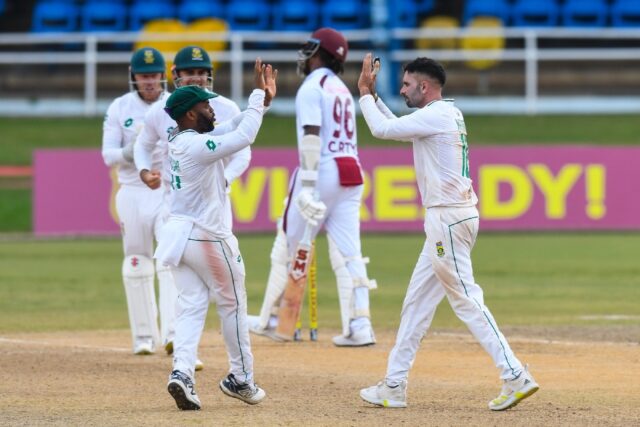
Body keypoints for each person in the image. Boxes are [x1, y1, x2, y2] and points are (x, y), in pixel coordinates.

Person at [356, 54, 539, 410]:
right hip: (451, 218)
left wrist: (364, 93)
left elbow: (382, 130)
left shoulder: (437, 115)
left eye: (407, 84)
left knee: (466, 299)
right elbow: (395, 125)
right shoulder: (443, 113)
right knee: (416, 304)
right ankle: (394, 384)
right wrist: (375, 99)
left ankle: (515, 374)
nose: (402, 89)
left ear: (424, 86)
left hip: (448, 219)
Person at [158, 60, 277, 411]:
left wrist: (262, 104)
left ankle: (181, 372)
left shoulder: (184, 138)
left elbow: (233, 126)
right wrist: (257, 96)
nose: (213, 108)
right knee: (233, 303)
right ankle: (241, 378)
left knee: (192, 305)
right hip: (206, 236)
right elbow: (243, 137)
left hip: (177, 235)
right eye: (206, 105)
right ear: (191, 115)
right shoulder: (196, 146)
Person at [248, 27, 377, 346]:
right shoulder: (342, 90)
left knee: (288, 244)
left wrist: (306, 185)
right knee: (350, 253)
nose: (306, 55)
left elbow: (310, 134)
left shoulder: (312, 85)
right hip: (352, 171)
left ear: (322, 55)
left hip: (322, 169)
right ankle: (360, 325)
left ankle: (276, 320)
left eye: (312, 49)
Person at [135, 46, 250, 370]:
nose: (197, 76)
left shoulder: (223, 106)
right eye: (190, 72)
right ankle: (236, 371)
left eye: (202, 71)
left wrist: (225, 179)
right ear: (176, 76)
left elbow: (243, 151)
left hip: (215, 203)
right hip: (177, 203)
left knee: (207, 290)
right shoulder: (161, 112)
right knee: (213, 292)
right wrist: (145, 172)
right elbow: (143, 148)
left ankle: (184, 364)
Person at [101, 47, 170, 355]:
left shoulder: (174, 104)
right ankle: (144, 336)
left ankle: (173, 333)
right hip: (131, 190)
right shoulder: (120, 107)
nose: (150, 82)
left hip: (167, 191)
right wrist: (133, 151)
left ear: (163, 76)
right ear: (134, 77)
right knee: (136, 260)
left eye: (154, 75)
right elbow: (108, 155)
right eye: (144, 76)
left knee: (170, 259)